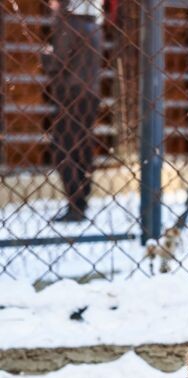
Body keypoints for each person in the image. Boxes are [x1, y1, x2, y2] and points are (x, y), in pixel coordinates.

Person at [42, 0, 104, 222]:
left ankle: (74, 204)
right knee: (82, 148)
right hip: (90, 95)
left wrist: (46, 53)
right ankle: (82, 200)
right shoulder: (95, 26)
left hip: (70, 95)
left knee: (63, 149)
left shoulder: (68, 25)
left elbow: (57, 63)